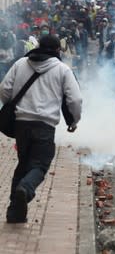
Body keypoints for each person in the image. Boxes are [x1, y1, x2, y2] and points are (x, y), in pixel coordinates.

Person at [0, 34, 82, 223]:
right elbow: (75, 99)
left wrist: (14, 107)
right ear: (57, 50)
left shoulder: (21, 63)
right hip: (44, 126)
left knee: (23, 166)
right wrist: (74, 121)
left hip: (21, 124)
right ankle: (26, 189)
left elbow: (4, 89)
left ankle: (15, 214)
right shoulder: (62, 69)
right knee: (39, 165)